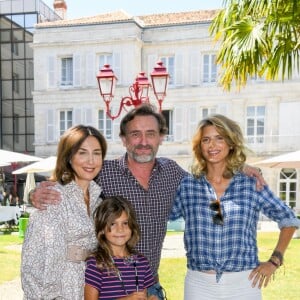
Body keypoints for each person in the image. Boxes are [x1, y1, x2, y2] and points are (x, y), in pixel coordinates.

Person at [29, 104, 265, 300]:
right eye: (135, 134)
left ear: (161, 137)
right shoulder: (103, 172)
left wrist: (238, 166)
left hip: (149, 286)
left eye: (150, 133)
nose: (143, 141)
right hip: (106, 288)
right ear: (123, 139)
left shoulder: (172, 173)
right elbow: (70, 179)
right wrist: (37, 193)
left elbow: (207, 182)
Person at [169, 114, 300, 300]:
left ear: (231, 143)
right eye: (206, 140)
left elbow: (288, 218)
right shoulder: (188, 186)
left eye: (219, 138)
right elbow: (161, 216)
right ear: (200, 147)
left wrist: (275, 260)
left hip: (244, 284)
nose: (212, 145)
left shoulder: (250, 184)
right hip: (198, 285)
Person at [21, 125, 107, 299]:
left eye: (97, 153)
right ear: (68, 157)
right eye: (82, 152)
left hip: (91, 288)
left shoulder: (98, 201)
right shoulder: (53, 197)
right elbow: (34, 264)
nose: (91, 161)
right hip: (61, 292)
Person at [84, 196, 157, 300]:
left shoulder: (142, 262)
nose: (120, 229)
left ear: (132, 226)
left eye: (125, 223)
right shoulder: (96, 263)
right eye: (113, 224)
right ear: (102, 229)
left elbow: (144, 296)